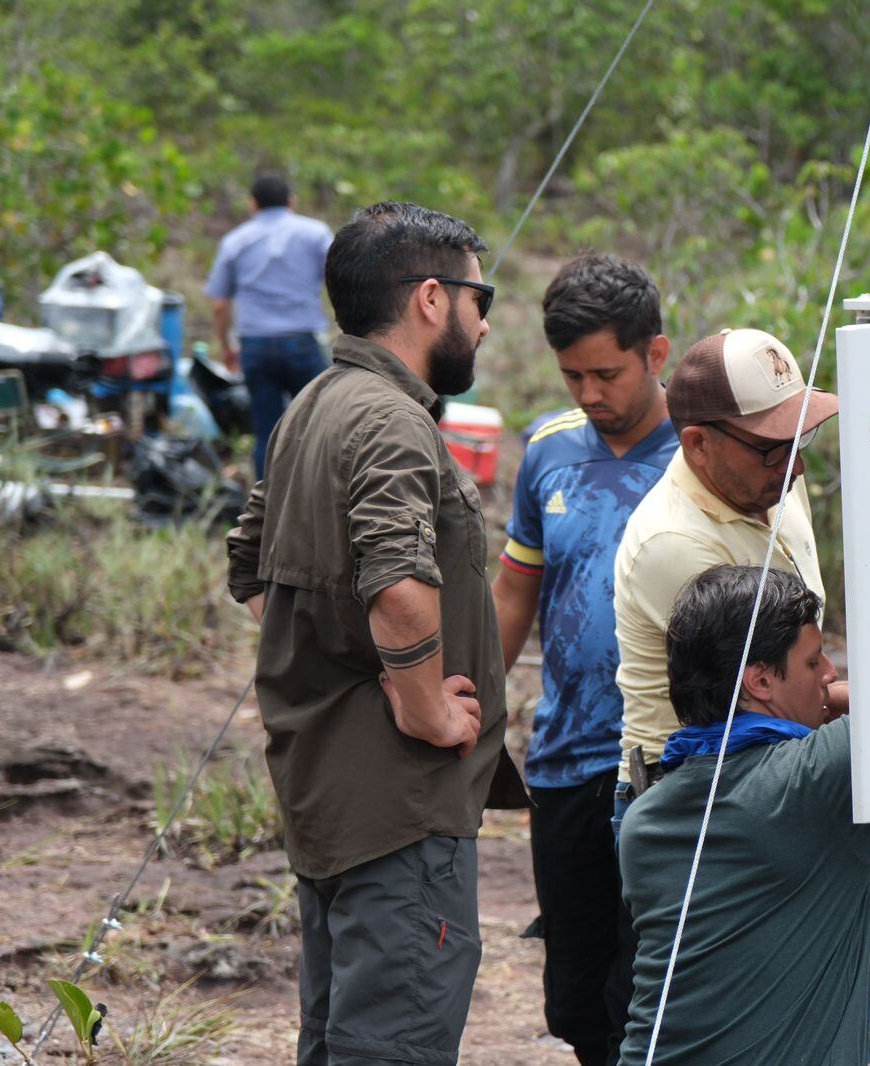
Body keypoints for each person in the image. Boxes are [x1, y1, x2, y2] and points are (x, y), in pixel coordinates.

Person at [226, 200, 526, 1066]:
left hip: (328, 791)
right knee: (391, 1044)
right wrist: (423, 702)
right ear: (431, 300)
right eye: (481, 298)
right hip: (397, 808)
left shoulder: (317, 403)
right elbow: (398, 586)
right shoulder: (392, 422)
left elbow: (252, 567)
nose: (482, 321)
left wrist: (344, 652)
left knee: (339, 1041)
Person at [490, 254, 678, 1063]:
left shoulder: (707, 456)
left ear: (656, 355)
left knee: (651, 988)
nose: (591, 395)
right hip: (566, 759)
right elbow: (514, 595)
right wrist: (474, 706)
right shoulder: (549, 451)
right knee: (574, 998)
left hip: (671, 765)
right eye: (573, 376)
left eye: (607, 373)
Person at [618, 564, 870, 1063]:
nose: (831, 674)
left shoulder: (645, 817)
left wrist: (808, 696)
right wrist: (835, 700)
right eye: (814, 664)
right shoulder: (811, 783)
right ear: (761, 680)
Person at [612, 327, 845, 831]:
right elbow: (769, 698)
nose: (797, 466)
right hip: (695, 803)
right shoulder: (675, 544)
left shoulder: (767, 480)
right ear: (698, 444)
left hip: (769, 764)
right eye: (774, 449)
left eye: (800, 438)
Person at [206, 172, 334, 479]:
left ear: (253, 205)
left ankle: (267, 511)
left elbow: (220, 303)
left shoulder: (235, 241)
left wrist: (226, 346)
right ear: (292, 202)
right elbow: (339, 279)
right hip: (302, 341)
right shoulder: (315, 234)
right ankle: (318, 499)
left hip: (256, 346)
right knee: (318, 426)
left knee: (267, 431)